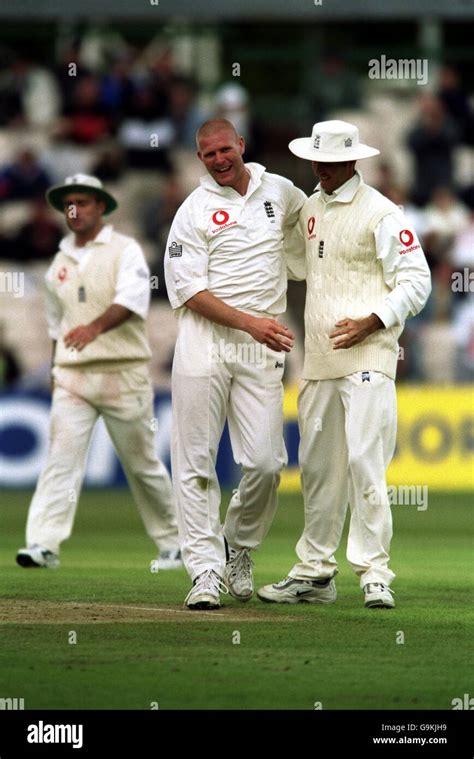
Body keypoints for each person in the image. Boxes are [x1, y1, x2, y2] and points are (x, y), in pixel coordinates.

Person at [258, 120, 431, 609]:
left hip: (369, 356)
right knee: (317, 471)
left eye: (332, 162)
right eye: (318, 161)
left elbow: (417, 282)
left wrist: (373, 321)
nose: (323, 169)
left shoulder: (382, 212)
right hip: (318, 359)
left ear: (353, 160)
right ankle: (315, 573)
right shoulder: (310, 208)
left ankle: (375, 573)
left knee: (364, 462)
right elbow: (295, 265)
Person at [164, 118, 306, 610]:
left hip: (260, 344)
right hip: (207, 341)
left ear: (241, 145)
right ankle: (204, 571)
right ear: (199, 158)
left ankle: (237, 545)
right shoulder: (194, 210)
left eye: (225, 149)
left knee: (267, 463)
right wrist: (250, 324)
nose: (219, 160)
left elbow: (311, 231)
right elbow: (189, 292)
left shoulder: (281, 191)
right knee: (196, 461)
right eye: (208, 155)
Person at [16, 173, 182, 571]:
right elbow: (57, 327)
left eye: (83, 202)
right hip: (73, 377)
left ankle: (175, 543)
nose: (75, 210)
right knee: (60, 459)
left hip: (122, 372)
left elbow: (130, 301)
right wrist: (57, 368)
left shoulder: (126, 250)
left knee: (141, 463)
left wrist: (93, 328)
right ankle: (43, 544)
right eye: (68, 203)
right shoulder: (59, 261)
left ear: (101, 206)